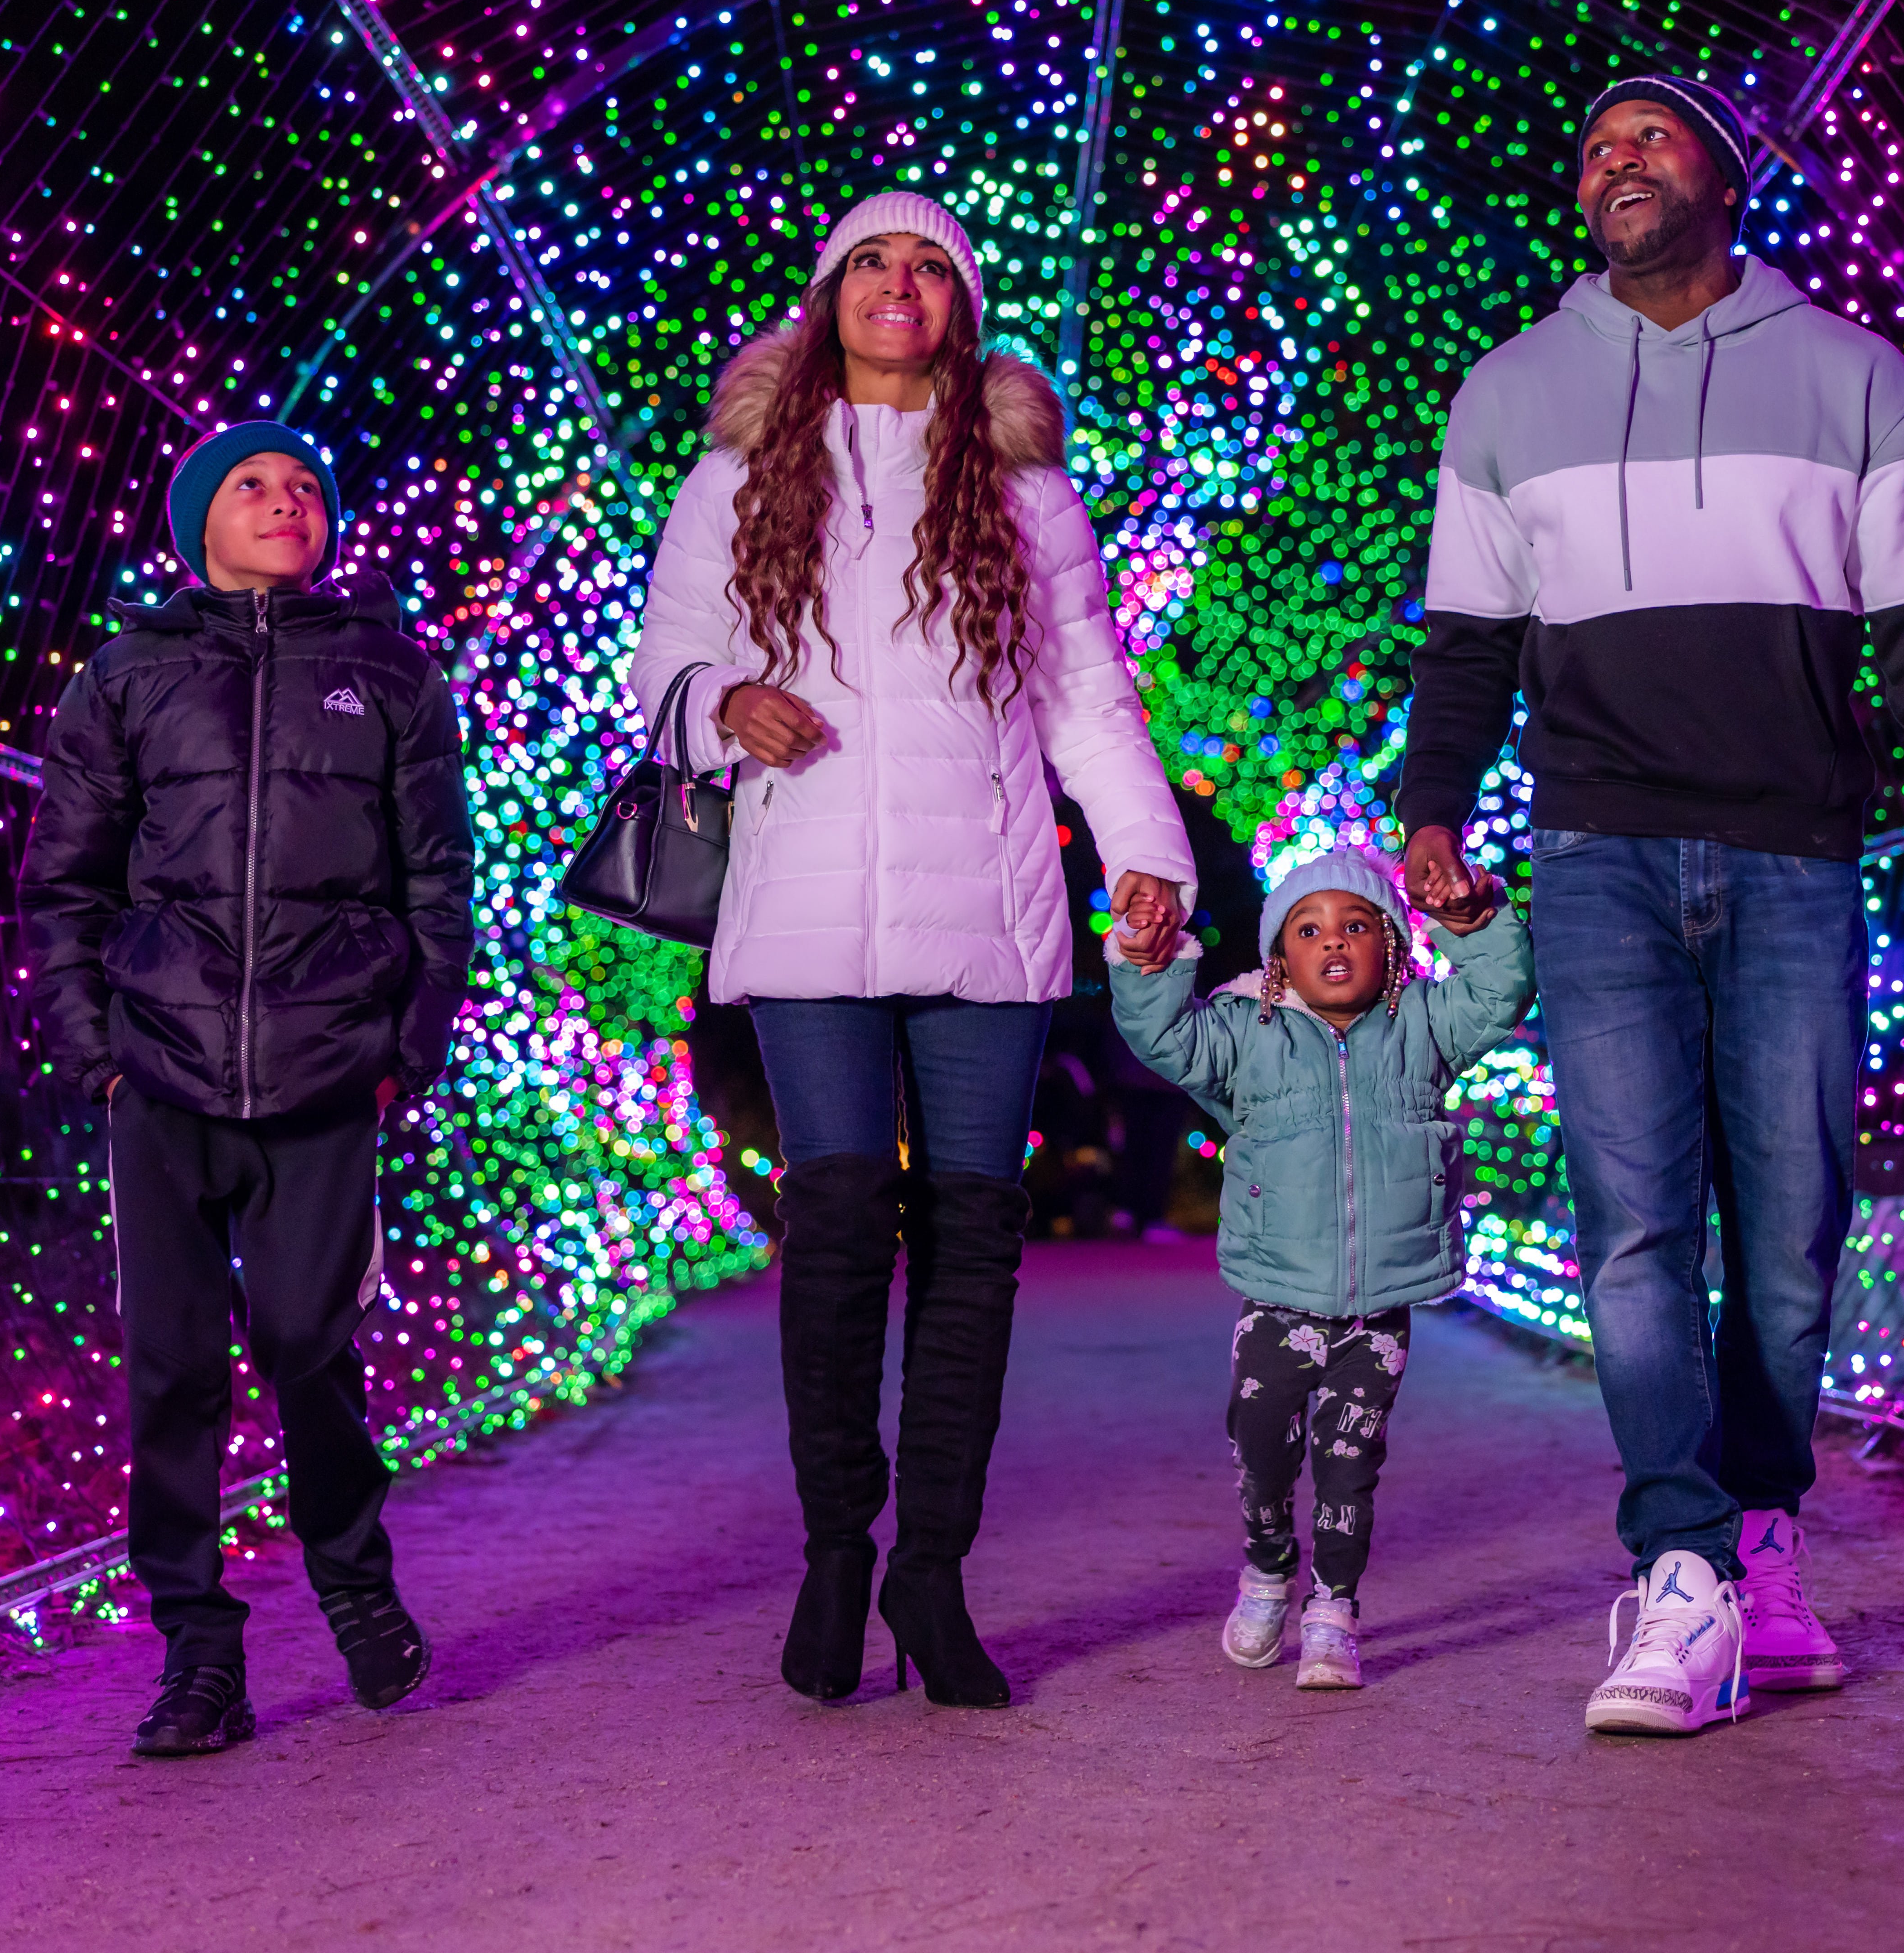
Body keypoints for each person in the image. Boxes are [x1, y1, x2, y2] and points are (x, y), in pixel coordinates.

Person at [1394, 74, 1904, 1738]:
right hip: (1597, 852)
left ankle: (1763, 1538)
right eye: (1592, 141)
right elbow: (1466, 639)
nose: (1613, 158)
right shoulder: (1507, 390)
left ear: (1723, 178)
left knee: (1794, 1229)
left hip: (1796, 858)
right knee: (1632, 1226)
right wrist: (1435, 810)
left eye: (1649, 137)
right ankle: (1676, 1564)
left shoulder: (1858, 380)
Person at [623, 193, 1192, 1710]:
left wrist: (1146, 852)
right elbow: (658, 668)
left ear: (962, 304)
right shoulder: (738, 477)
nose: (899, 280)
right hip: (804, 900)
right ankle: (832, 1546)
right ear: (826, 295)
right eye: (873, 259)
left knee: (972, 1233)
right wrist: (719, 704)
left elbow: (1088, 699)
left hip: (987, 903)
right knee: (833, 1215)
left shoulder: (1024, 494)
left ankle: (928, 1570)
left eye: (929, 263)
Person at [20, 423, 471, 1758]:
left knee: (303, 1342)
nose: (286, 503)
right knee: (169, 1370)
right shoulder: (128, 676)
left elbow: (438, 884)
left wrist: (408, 1046)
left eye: (308, 488)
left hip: (330, 1073)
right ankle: (200, 1656)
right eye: (253, 486)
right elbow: (66, 881)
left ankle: (354, 1581)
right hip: (159, 1075)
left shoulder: (388, 672)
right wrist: (95, 1047)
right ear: (195, 522)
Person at [1107, 845, 1530, 1692]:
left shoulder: (1424, 1025)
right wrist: (1147, 961)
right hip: (1279, 1301)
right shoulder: (1244, 1034)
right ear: (1279, 958)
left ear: (1392, 946)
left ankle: (1334, 1606)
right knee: (1262, 1450)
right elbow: (1161, 1035)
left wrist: (1469, 919)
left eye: (1357, 925)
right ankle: (1268, 1569)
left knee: (1350, 1462)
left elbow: (1500, 991)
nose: (1333, 942)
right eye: (1308, 928)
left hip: (1380, 1309)